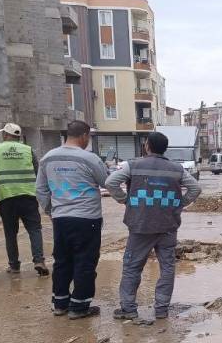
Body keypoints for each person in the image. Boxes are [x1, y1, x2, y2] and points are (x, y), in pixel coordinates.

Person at [105, 132, 202, 320]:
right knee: (167, 268)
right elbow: (196, 188)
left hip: (140, 225)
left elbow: (110, 183)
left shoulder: (132, 165)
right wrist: (180, 204)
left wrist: (125, 200)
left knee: (132, 267)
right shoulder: (177, 169)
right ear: (165, 148)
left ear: (147, 146)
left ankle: (128, 309)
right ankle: (161, 309)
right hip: (168, 226)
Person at [36, 120, 108, 320]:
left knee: (62, 260)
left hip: (60, 218)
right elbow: (107, 182)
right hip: (87, 218)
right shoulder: (90, 159)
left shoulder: (48, 158)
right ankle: (79, 306)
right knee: (85, 261)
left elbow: (40, 189)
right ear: (84, 136)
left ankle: (60, 303)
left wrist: (51, 211)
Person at [0, 123, 48, 276]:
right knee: (34, 230)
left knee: (10, 233)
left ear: (5, 135)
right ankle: (39, 261)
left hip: (7, 197)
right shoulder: (28, 150)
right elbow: (39, 174)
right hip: (28, 196)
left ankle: (14, 266)